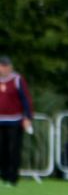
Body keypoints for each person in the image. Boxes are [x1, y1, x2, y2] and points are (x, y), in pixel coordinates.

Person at [0, 56, 34, 187]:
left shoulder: (17, 79)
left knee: (13, 150)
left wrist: (27, 117)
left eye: (5, 66)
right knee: (2, 150)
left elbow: (26, 99)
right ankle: (4, 176)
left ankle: (12, 179)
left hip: (15, 120)